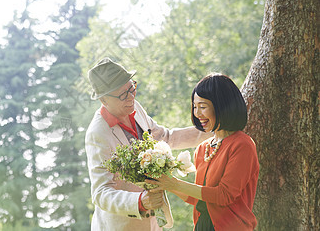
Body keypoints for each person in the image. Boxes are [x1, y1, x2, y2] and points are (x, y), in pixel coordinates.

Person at [85, 57, 212, 230]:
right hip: (122, 226)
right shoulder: (97, 133)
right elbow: (100, 193)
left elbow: (166, 137)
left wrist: (213, 129)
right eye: (123, 95)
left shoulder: (135, 108)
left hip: (154, 223)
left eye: (132, 88)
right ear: (104, 101)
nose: (131, 97)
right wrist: (139, 201)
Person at [146, 73, 259, 231]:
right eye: (194, 106)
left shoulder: (242, 145)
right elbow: (200, 198)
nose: (197, 114)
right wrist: (166, 183)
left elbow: (223, 196)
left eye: (203, 107)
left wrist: (176, 184)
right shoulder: (203, 148)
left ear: (221, 106)